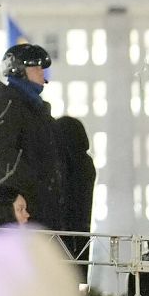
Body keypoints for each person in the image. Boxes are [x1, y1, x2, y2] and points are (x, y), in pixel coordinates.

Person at [0, 43, 65, 231]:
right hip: (19, 209)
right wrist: (35, 187)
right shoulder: (4, 102)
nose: (41, 71)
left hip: (38, 207)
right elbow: (3, 154)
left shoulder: (36, 108)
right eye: (35, 67)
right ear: (18, 70)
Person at [55, 115, 96, 283]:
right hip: (82, 230)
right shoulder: (86, 163)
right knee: (79, 277)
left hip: (62, 230)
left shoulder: (62, 163)